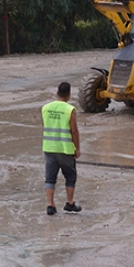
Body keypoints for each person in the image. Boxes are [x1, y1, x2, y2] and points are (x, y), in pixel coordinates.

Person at [41, 82, 81, 215]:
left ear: (57, 92)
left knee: (50, 178)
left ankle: (51, 205)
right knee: (70, 176)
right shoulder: (70, 109)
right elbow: (74, 131)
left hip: (49, 147)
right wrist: (77, 148)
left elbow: (45, 125)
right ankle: (69, 203)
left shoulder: (45, 108)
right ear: (69, 94)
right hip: (65, 149)